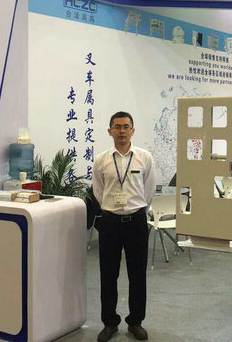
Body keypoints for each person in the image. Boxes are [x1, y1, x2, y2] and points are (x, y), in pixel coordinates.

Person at [92, 111, 157, 342]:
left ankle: (135, 322)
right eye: (117, 127)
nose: (122, 131)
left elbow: (149, 189)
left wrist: (136, 208)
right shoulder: (101, 159)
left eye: (126, 127)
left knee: (137, 274)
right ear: (110, 131)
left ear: (133, 130)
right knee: (108, 274)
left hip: (136, 222)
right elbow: (98, 191)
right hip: (110, 223)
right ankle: (109, 322)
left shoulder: (144, 157)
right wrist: (111, 207)